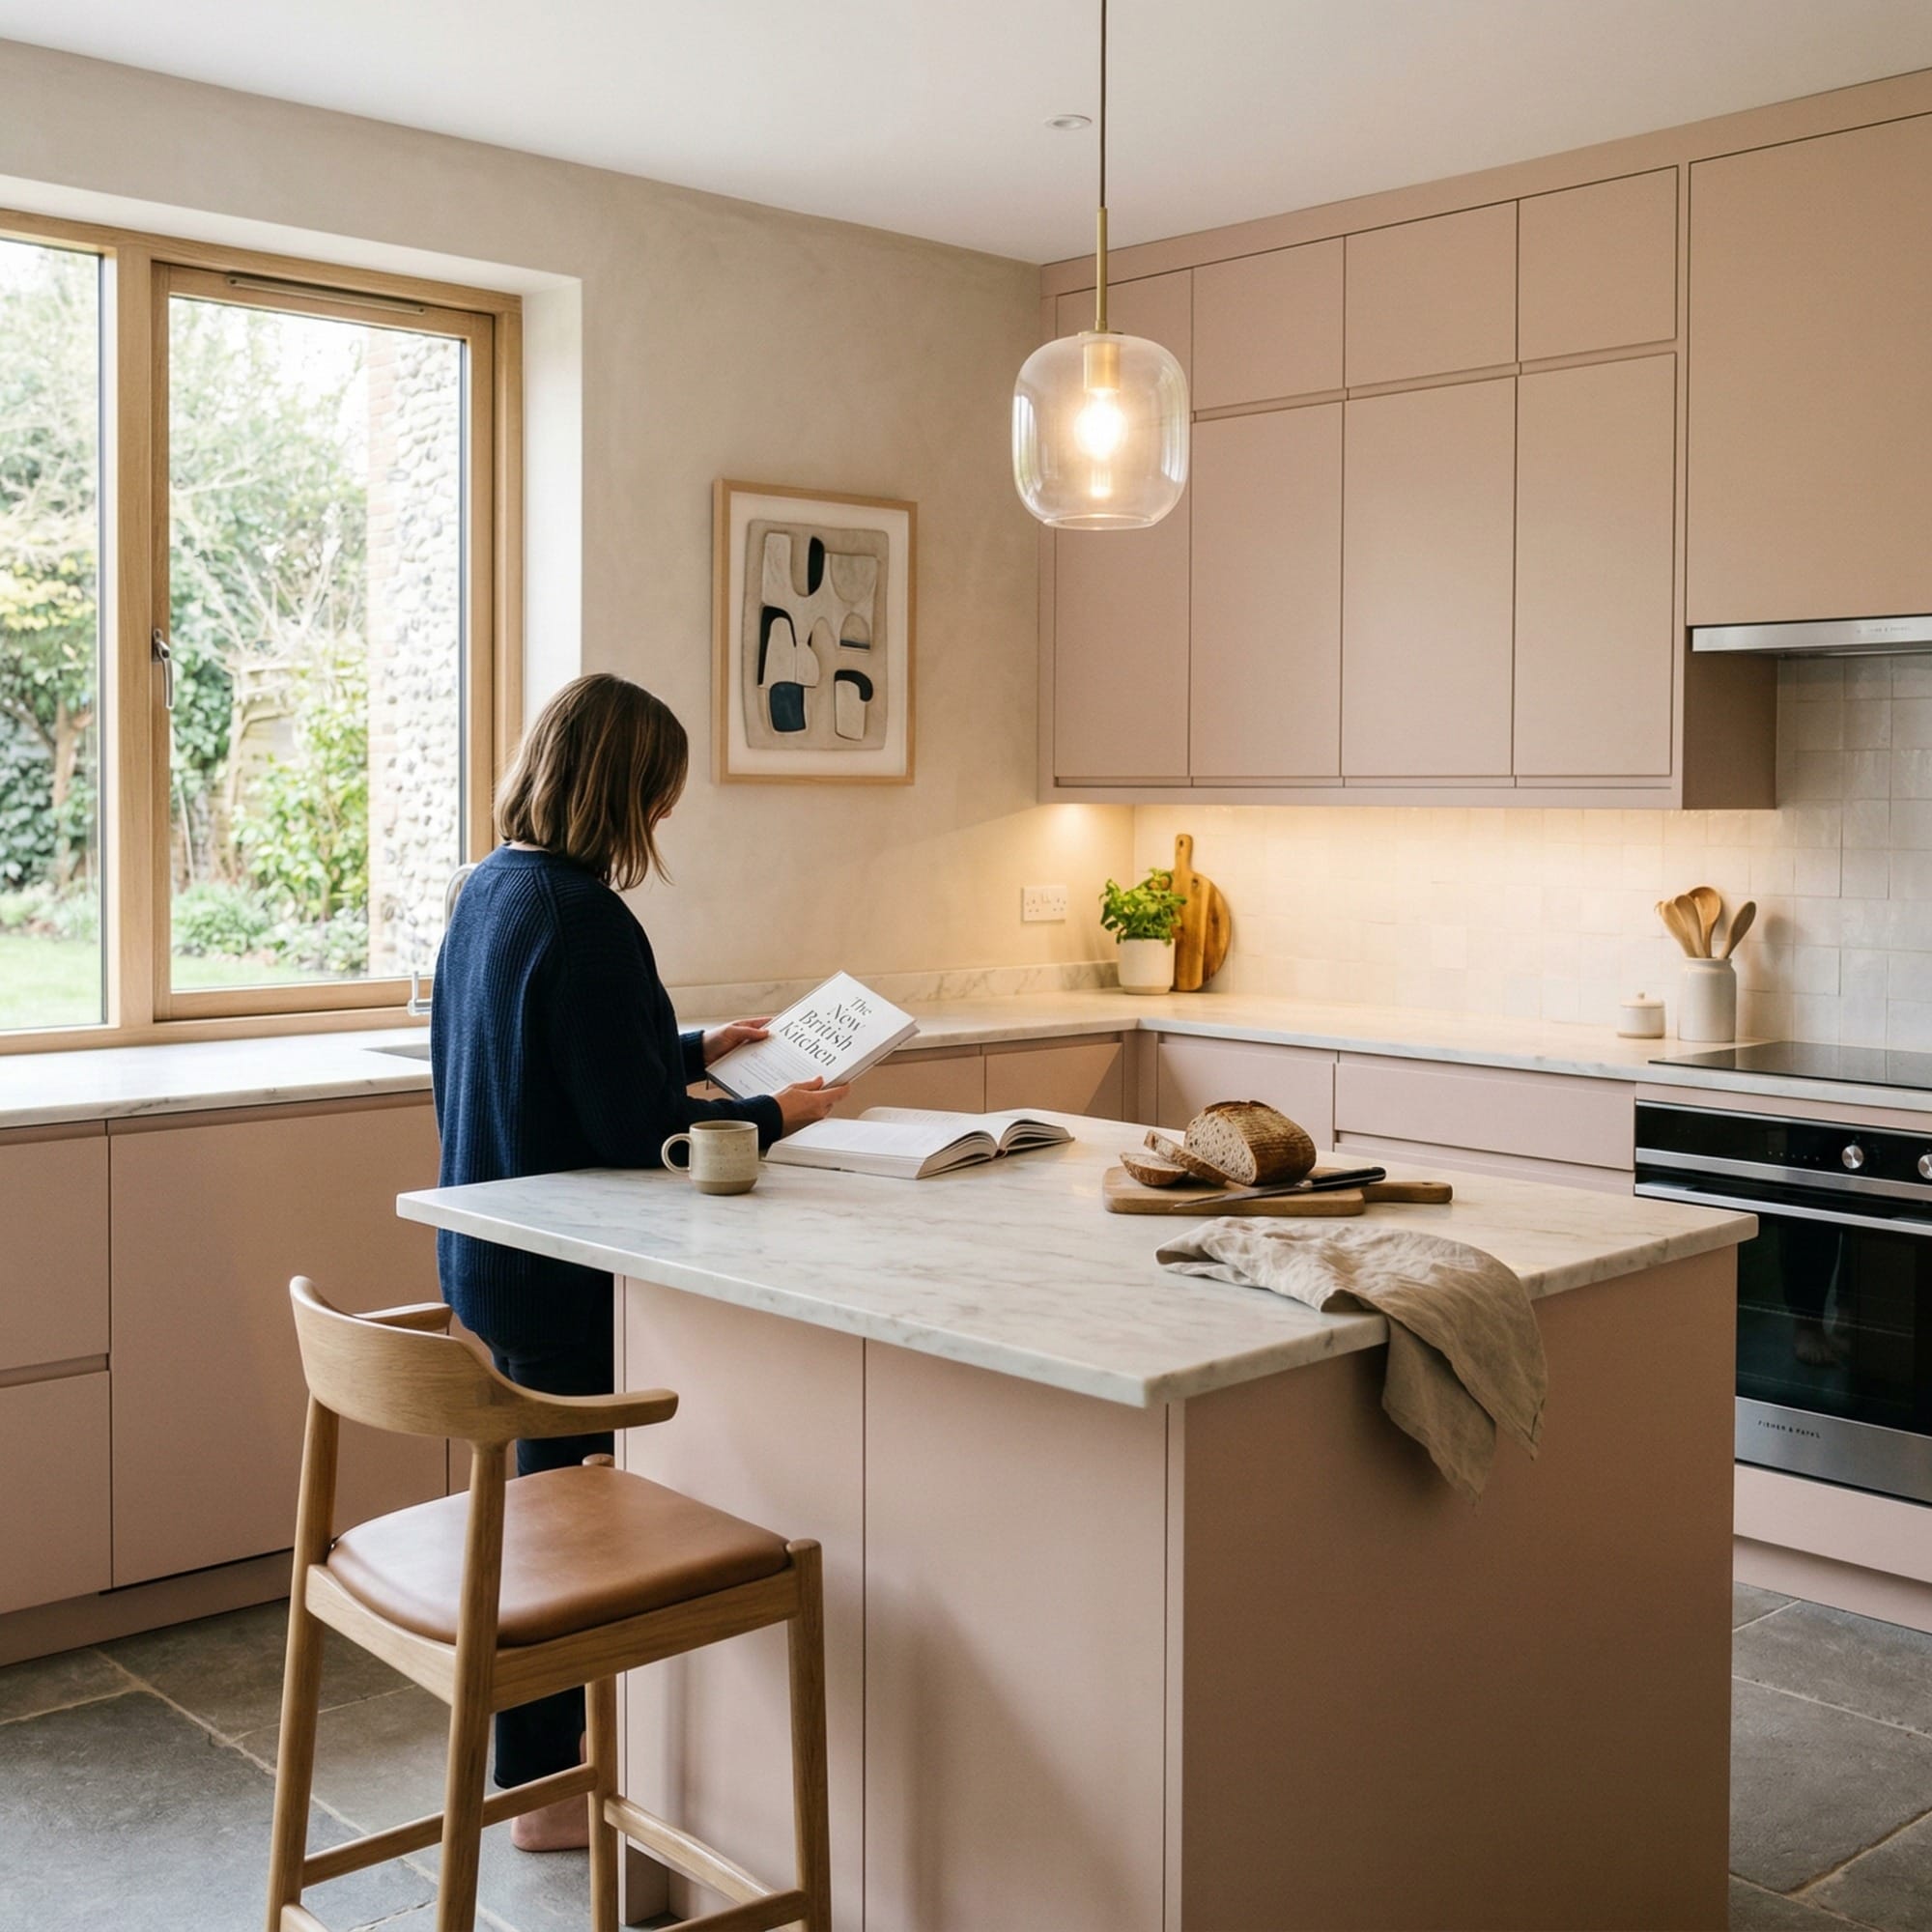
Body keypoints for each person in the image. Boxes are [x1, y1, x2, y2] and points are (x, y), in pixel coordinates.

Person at [430, 671, 846, 1850]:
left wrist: (696, 1043)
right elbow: (633, 1130)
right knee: (564, 1536)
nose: (665, 814)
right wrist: (776, 1115)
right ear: (622, 788)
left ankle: (538, 1769)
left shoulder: (490, 887)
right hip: (566, 1281)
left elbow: (549, 1050)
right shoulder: (588, 915)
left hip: (490, 1256)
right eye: (659, 791)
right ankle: (543, 1789)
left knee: (540, 1516)